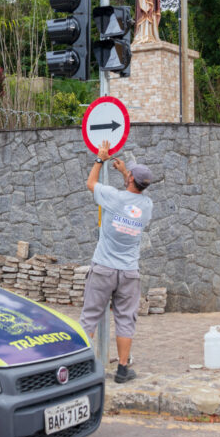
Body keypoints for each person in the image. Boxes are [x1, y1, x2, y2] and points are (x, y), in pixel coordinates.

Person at [80, 140, 154, 384]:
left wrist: (100, 159)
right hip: (129, 272)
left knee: (90, 317)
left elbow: (91, 184)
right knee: (125, 320)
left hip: (103, 268)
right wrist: (125, 172)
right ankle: (122, 369)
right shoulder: (147, 206)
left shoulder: (113, 197)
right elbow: (137, 189)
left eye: (129, 173)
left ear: (131, 179)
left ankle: (82, 369)